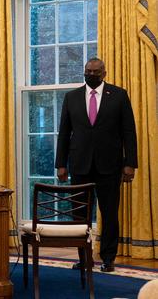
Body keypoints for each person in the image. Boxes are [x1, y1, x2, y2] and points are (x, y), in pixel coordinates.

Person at [55, 58, 137, 273]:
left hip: (110, 165)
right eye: (87, 71)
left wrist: (130, 163)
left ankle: (108, 259)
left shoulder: (119, 95)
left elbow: (129, 131)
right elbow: (64, 133)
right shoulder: (71, 97)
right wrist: (60, 164)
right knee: (79, 215)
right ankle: (84, 259)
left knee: (109, 213)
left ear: (104, 73)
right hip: (80, 164)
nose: (91, 74)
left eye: (95, 71)